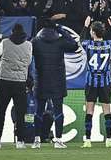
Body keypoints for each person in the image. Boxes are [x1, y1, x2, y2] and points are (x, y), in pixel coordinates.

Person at [31, 18, 79, 149]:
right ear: (54, 28)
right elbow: (75, 45)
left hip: (41, 81)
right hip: (57, 82)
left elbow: (28, 54)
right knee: (58, 111)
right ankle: (58, 140)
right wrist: (61, 30)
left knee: (38, 112)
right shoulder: (60, 41)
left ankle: (36, 140)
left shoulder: (35, 41)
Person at [79, 16, 111, 147]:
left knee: (89, 110)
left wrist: (85, 26)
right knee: (106, 110)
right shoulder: (109, 44)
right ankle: (108, 140)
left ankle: (87, 140)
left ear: (92, 32)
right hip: (105, 82)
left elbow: (80, 40)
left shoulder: (88, 44)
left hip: (91, 81)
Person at [0, 23, 32, 150]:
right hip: (20, 83)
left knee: (0, 112)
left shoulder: (5, 42)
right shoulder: (29, 45)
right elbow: (28, 62)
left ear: (12, 31)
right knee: (20, 114)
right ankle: (20, 141)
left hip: (5, 82)